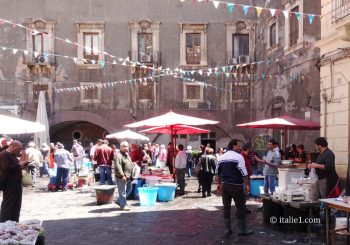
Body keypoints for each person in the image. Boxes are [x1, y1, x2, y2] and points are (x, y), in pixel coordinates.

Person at [216, 139, 253, 237]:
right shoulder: (238, 157)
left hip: (225, 185)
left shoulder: (221, 157)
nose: (240, 148)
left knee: (226, 207)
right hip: (236, 186)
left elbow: (217, 172)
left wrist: (219, 183)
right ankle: (242, 230)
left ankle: (227, 229)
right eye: (238, 146)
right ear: (233, 146)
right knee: (240, 207)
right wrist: (247, 185)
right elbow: (244, 172)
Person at [0, 140, 30, 222]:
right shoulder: (3, 154)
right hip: (9, 183)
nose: (19, 151)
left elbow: (16, 167)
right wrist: (19, 164)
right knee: (8, 204)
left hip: (16, 183)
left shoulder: (12, 155)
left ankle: (14, 221)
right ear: (13, 146)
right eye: (18, 149)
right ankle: (4, 222)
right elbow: (6, 168)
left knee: (16, 204)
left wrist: (24, 163)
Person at [114, 141, 134, 211]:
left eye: (127, 146)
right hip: (122, 177)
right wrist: (122, 175)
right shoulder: (118, 155)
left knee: (129, 189)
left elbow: (128, 162)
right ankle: (123, 205)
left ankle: (119, 201)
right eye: (124, 146)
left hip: (128, 176)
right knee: (122, 192)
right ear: (120, 147)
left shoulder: (126, 154)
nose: (126, 148)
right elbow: (118, 166)